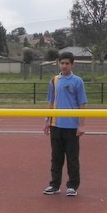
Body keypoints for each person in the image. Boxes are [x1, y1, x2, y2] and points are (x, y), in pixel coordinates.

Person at [42, 52, 88, 197]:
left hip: (71, 126)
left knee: (72, 157)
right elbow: (51, 102)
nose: (64, 66)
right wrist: (47, 120)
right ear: (59, 64)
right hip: (56, 124)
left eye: (67, 63)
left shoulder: (77, 81)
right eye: (62, 63)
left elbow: (82, 103)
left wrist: (82, 124)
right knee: (56, 157)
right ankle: (54, 184)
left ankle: (72, 186)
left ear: (72, 65)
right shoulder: (54, 80)